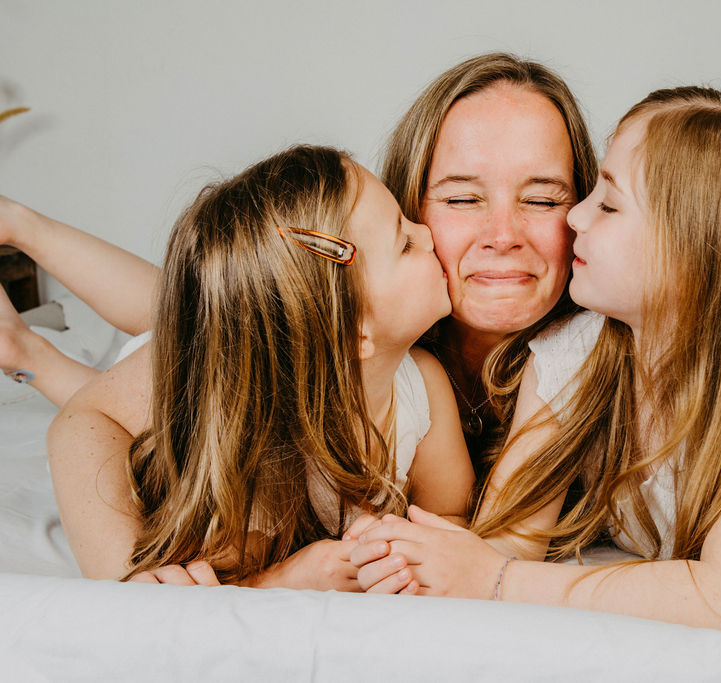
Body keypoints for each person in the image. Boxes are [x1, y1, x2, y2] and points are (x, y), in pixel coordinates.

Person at [6, 53, 721, 592]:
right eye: (458, 198)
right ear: (408, 204)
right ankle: (27, 257)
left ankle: (30, 329)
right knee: (167, 311)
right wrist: (126, 579)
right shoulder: (316, 319)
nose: (506, 236)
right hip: (197, 357)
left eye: (549, 196)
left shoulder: (613, 327)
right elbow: (97, 416)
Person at [349, 87, 721, 630]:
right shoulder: (571, 358)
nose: (576, 217)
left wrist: (498, 581)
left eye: (604, 204)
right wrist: (410, 559)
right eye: (461, 197)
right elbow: (504, 539)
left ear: (698, 253)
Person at [42, 145, 475, 586]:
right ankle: (27, 349)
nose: (427, 234)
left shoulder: (421, 387)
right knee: (141, 350)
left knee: (180, 311)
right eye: (404, 243)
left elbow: (450, 512)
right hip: (187, 378)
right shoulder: (253, 465)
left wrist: (401, 549)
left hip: (237, 343)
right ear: (353, 333)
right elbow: (219, 583)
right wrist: (285, 578)